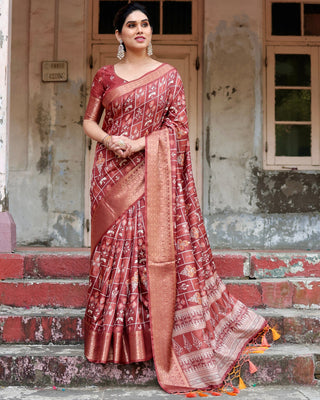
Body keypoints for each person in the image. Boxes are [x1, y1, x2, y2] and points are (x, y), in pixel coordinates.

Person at [83, 2, 276, 394]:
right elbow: (89, 120)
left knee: (145, 250)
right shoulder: (105, 75)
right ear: (118, 35)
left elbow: (178, 130)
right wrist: (111, 140)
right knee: (115, 252)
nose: (140, 29)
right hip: (110, 173)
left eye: (145, 24)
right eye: (131, 25)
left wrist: (138, 143)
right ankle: (114, 343)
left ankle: (151, 340)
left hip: (149, 172)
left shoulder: (169, 76)